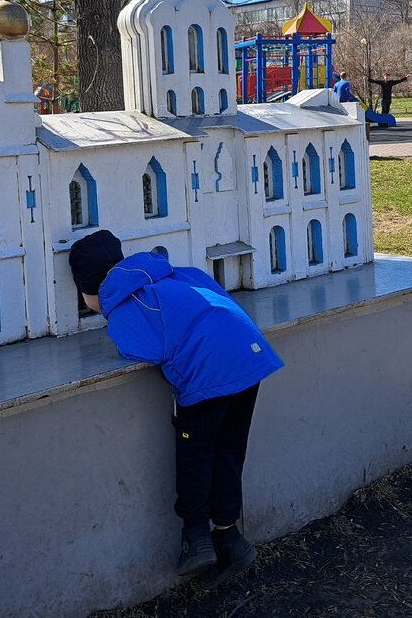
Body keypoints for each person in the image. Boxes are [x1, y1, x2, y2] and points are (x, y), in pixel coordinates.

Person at [69, 230, 284, 587]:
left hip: (208, 374)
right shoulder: (180, 272)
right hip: (248, 357)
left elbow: (144, 350)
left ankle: (196, 538)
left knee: (195, 455)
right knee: (229, 451)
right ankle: (230, 538)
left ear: (89, 288)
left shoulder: (125, 306)